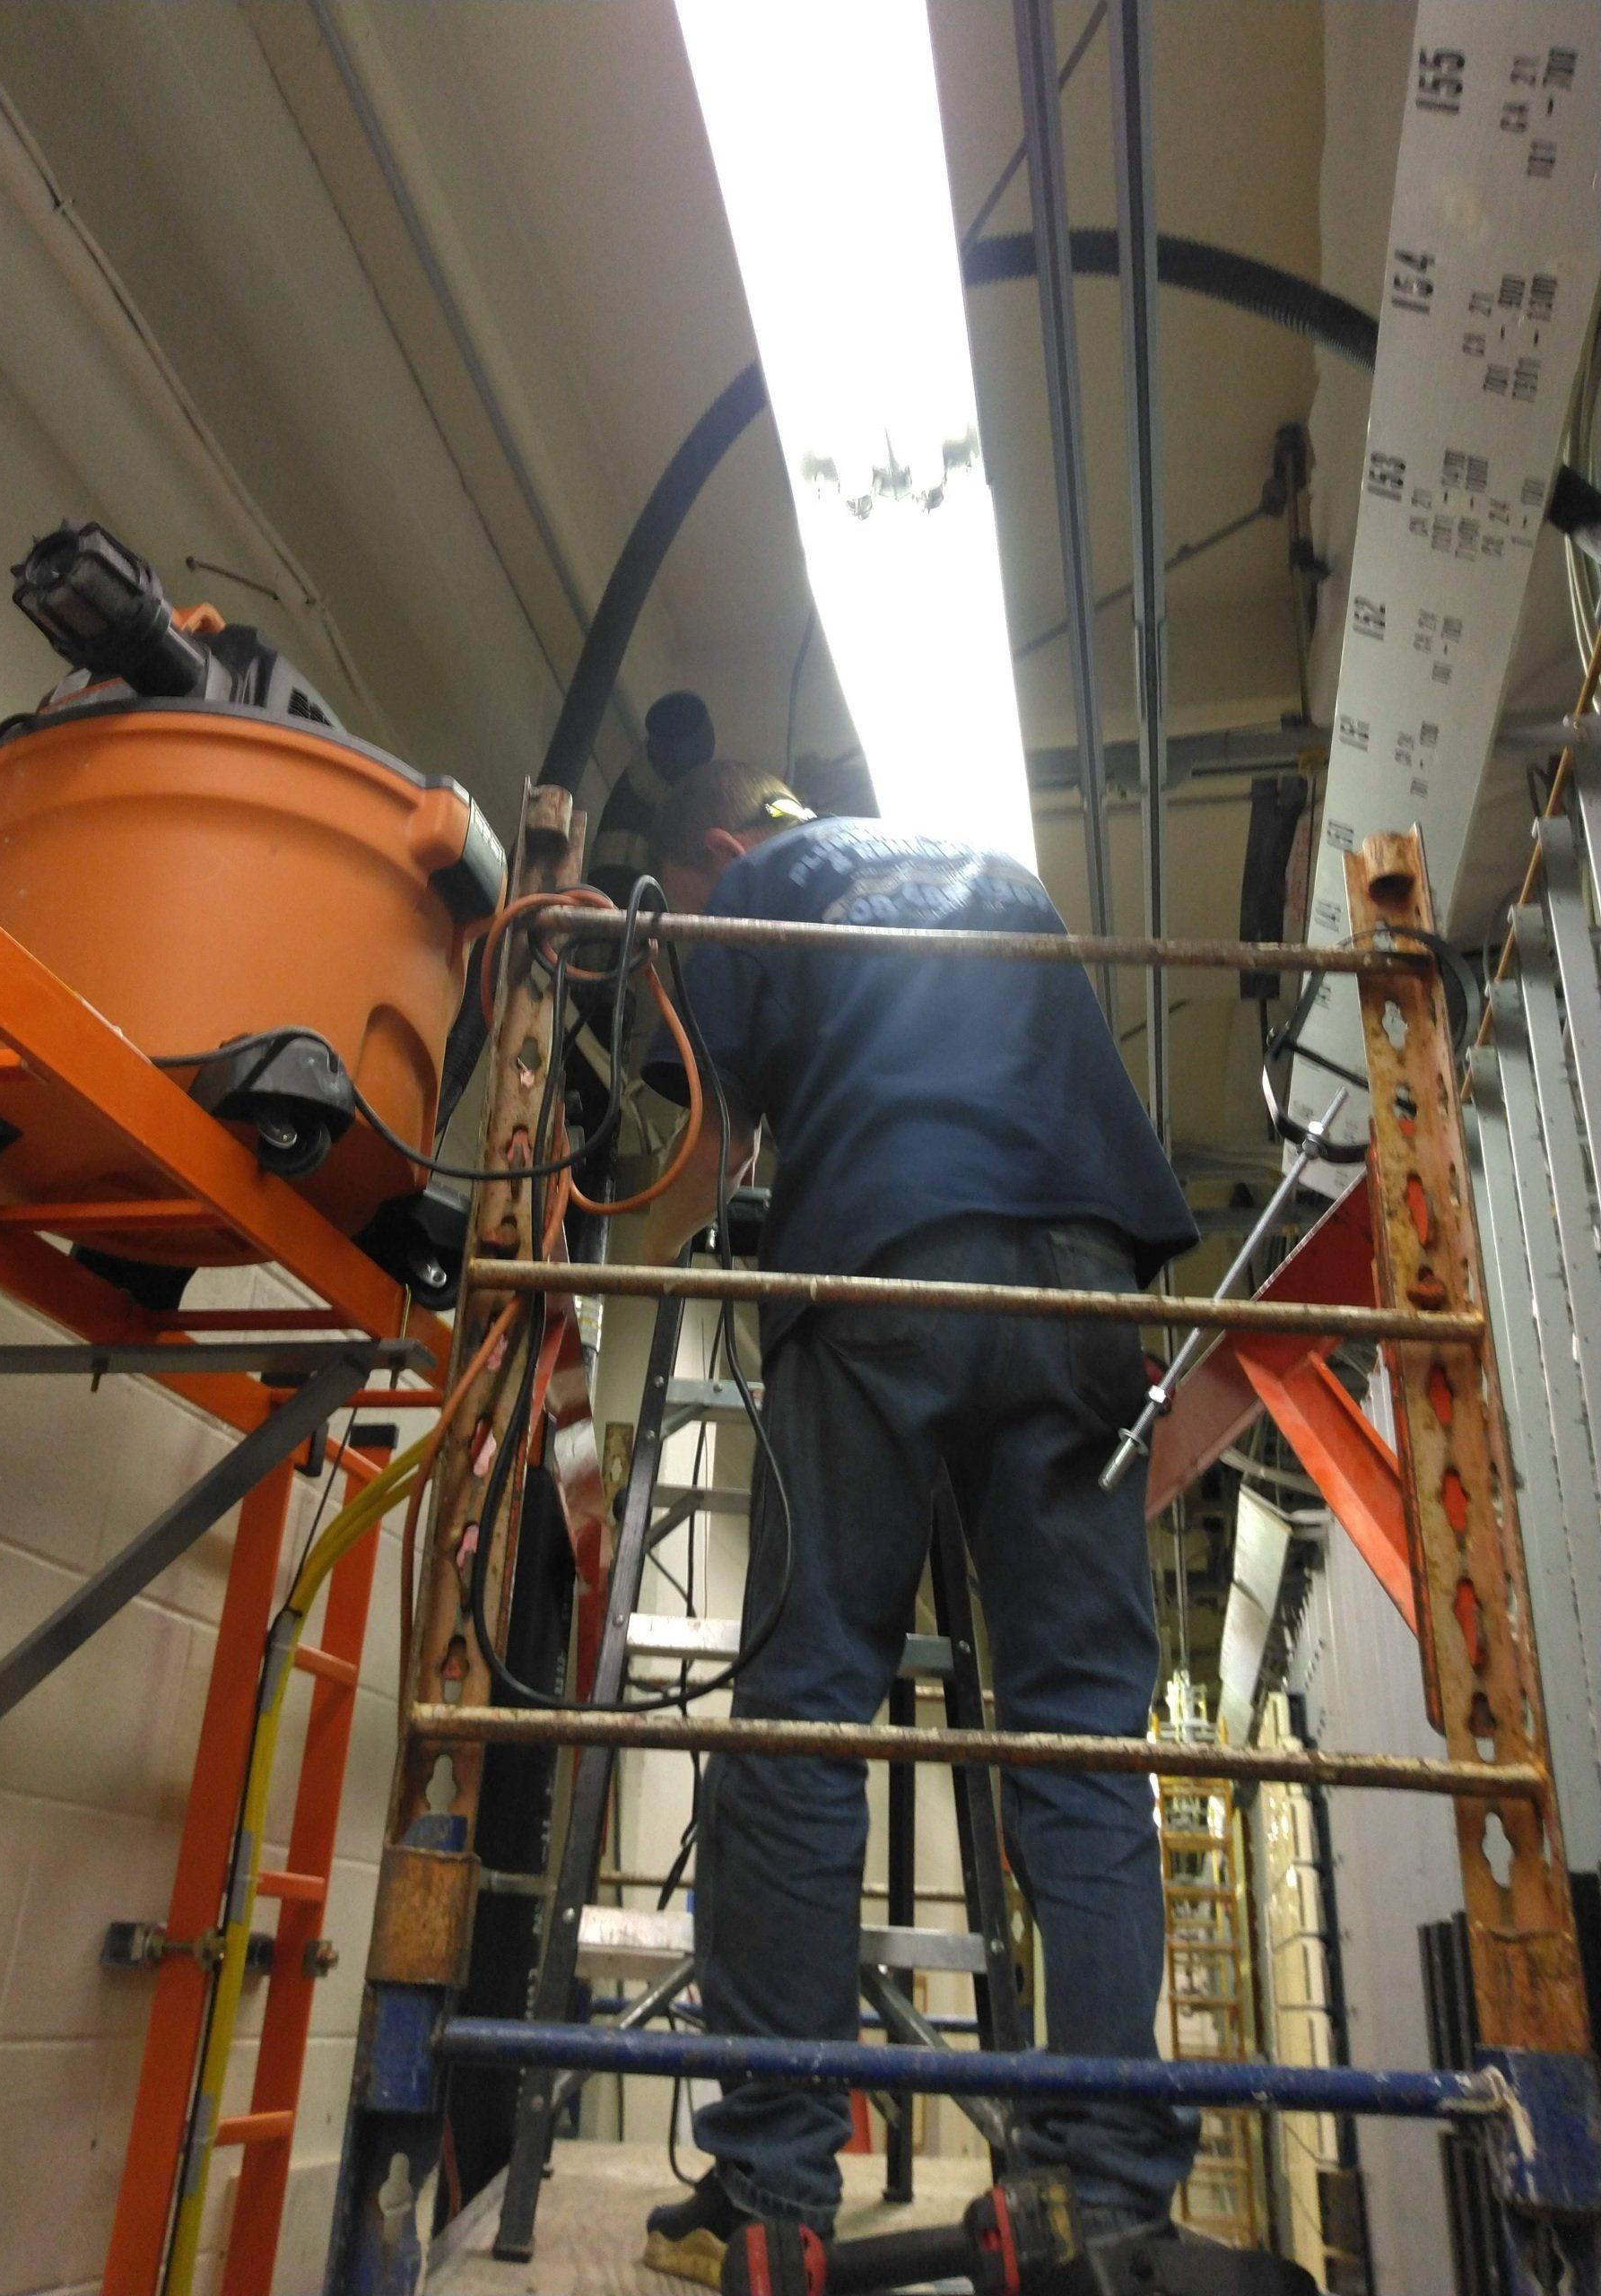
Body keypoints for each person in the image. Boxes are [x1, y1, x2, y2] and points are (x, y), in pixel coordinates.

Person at [631, 760, 1201, 2287]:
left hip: (882, 1266)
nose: (687, 926)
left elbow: (711, 1139)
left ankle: (771, 2199)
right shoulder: (1001, 871)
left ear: (719, 842)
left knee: (807, 1716)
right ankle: (1109, 2199)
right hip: (1080, 1282)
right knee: (1082, 1730)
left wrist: (589, 1235)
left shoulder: (754, 890)